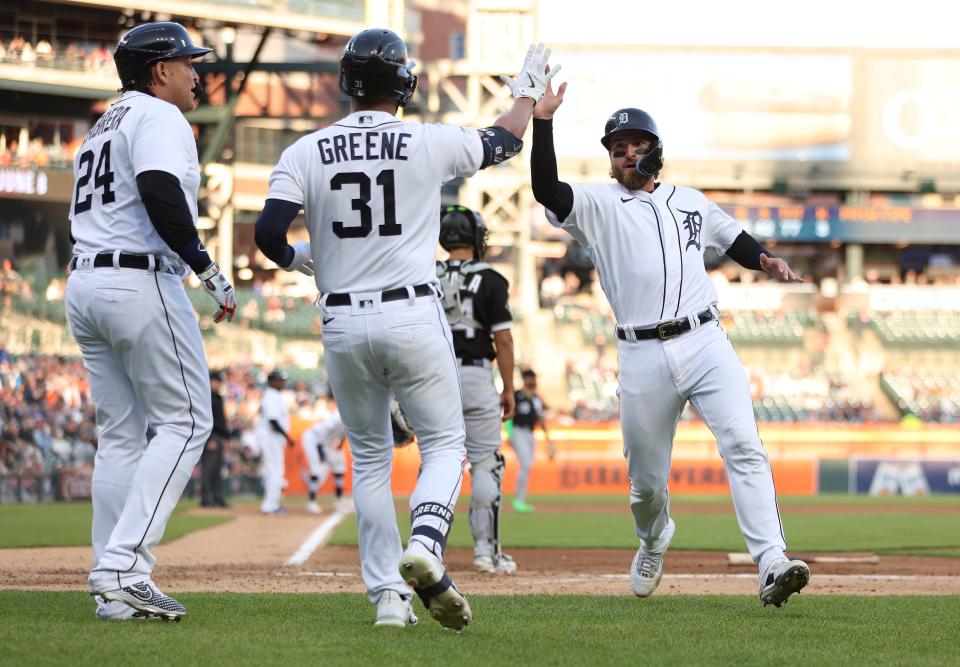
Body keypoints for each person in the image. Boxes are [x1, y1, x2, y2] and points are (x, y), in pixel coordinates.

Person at [254, 29, 556, 629]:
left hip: (341, 317)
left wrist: (301, 260)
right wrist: (528, 96)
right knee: (444, 447)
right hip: (413, 312)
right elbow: (502, 141)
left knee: (368, 460)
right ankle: (426, 544)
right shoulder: (425, 140)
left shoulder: (304, 150)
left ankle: (388, 600)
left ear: (347, 82)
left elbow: (267, 236)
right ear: (404, 84)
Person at [529, 78, 811, 607]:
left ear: (656, 150)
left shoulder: (690, 200)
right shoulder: (597, 205)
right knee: (646, 486)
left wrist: (766, 259)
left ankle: (772, 561)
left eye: (637, 145)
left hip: (704, 340)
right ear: (610, 162)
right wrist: (543, 121)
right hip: (641, 354)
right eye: (618, 149)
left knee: (744, 445)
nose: (628, 154)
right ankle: (653, 540)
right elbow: (548, 190)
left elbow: (734, 239)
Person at [64, 22, 236, 622]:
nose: (198, 72)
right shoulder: (159, 116)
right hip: (136, 278)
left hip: (86, 278)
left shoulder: (104, 122)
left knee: (120, 435)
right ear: (159, 71)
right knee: (188, 420)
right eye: (188, 63)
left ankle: (110, 586)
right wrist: (207, 268)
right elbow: (160, 190)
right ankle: (124, 568)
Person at [436, 205, 517, 574]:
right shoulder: (492, 279)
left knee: (437, 463)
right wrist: (510, 388)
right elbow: (503, 340)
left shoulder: (424, 275)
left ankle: (428, 549)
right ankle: (486, 553)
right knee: (485, 463)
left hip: (432, 377)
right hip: (475, 374)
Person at [509, 368, 554, 513]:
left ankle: (520, 499)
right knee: (526, 464)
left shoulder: (535, 399)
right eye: (531, 378)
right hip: (518, 431)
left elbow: (541, 419)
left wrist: (549, 441)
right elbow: (509, 415)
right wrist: (509, 434)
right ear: (525, 379)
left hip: (530, 433)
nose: (533, 381)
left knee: (527, 466)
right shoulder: (517, 395)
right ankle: (518, 501)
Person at [301, 396, 349, 514]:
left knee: (340, 465)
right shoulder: (337, 417)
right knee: (317, 469)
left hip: (326, 443)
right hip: (314, 440)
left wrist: (339, 446)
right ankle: (311, 502)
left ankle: (339, 500)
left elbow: (345, 433)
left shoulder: (351, 416)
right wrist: (321, 451)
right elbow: (323, 432)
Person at [258, 369, 294, 515]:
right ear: (272, 381)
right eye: (280, 380)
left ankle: (271, 503)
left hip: (272, 437)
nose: (282, 383)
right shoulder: (272, 395)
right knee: (275, 470)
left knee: (273, 469)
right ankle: (271, 505)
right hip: (271, 436)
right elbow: (273, 420)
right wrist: (288, 437)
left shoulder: (273, 395)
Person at [201, 370, 231, 508]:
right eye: (216, 381)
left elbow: (222, 420)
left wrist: (226, 438)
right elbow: (204, 419)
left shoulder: (218, 397)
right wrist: (208, 439)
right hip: (210, 435)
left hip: (218, 436)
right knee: (209, 468)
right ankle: (206, 498)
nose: (218, 384)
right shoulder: (205, 396)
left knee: (217, 468)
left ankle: (217, 496)